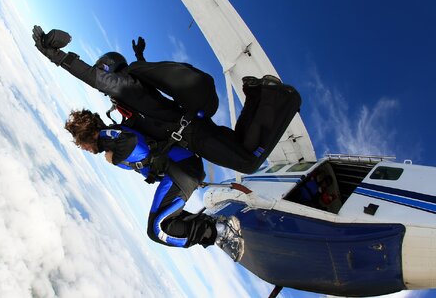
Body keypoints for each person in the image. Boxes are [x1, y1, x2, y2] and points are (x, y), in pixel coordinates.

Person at [33, 26, 301, 174]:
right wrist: (140, 60)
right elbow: (149, 101)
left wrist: (57, 56)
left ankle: (270, 96)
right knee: (244, 147)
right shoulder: (129, 90)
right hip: (191, 130)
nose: (103, 78)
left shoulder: (123, 88)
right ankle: (257, 94)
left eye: (103, 70)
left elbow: (94, 78)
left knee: (248, 162)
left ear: (110, 72)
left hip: (193, 135)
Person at [65, 109, 244, 260]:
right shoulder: (109, 137)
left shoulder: (106, 136)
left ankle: (221, 231)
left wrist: (114, 158)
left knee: (159, 228)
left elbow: (129, 141)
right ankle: (215, 226)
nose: (84, 148)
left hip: (182, 169)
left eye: (81, 143)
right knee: (161, 224)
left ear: (89, 133)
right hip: (181, 170)